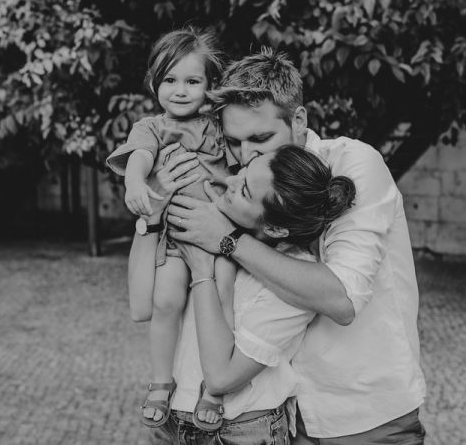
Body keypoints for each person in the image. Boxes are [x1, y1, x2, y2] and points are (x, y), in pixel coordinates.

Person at [166, 49, 427, 444]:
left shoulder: (354, 163)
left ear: (299, 120)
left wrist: (227, 239)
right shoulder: (244, 189)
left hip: (366, 416)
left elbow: (342, 299)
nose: (247, 155)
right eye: (235, 142)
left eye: (261, 138)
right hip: (286, 416)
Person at [130, 142, 357, 444]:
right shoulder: (208, 223)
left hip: (241, 432)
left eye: (246, 191)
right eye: (243, 172)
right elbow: (141, 307)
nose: (230, 180)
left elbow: (220, 377)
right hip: (171, 422)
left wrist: (202, 273)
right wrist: (152, 216)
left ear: (275, 229)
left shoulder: (292, 278)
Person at [105, 27, 237, 429]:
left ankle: (215, 387)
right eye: (170, 80)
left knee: (222, 297)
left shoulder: (220, 124)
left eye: (193, 81)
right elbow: (141, 156)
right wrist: (134, 181)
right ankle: (162, 380)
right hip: (174, 237)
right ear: (153, 83)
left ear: (211, 86)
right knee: (164, 301)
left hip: (218, 237)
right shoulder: (152, 127)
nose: (180, 90)